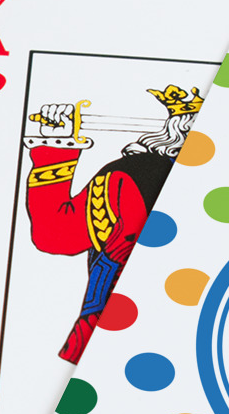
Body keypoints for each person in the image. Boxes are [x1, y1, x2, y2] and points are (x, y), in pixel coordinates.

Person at [23, 85, 202, 365]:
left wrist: (56, 144)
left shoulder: (131, 175)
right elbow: (56, 235)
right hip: (122, 338)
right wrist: (57, 145)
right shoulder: (135, 176)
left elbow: (54, 234)